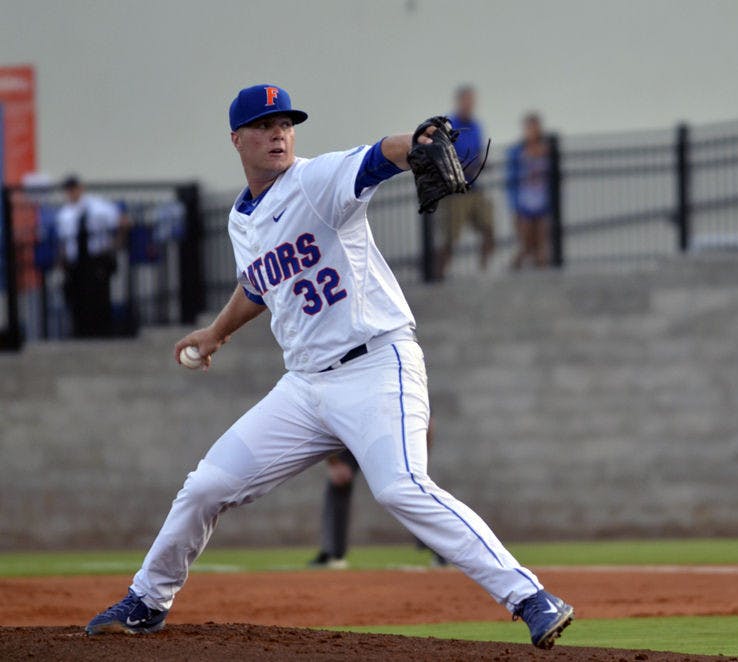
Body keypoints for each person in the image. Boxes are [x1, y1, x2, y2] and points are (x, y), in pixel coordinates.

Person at [84, 84, 573, 650]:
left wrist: (415, 141)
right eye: (265, 125)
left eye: (286, 123)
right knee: (205, 487)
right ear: (236, 139)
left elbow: (374, 159)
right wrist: (216, 332)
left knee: (398, 487)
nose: (278, 133)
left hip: (376, 364)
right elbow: (260, 284)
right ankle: (147, 600)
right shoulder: (241, 220)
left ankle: (531, 597)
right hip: (306, 386)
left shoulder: (314, 181)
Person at [310, 417, 447, 569]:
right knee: (337, 485)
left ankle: (441, 549)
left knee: (410, 489)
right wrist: (334, 463)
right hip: (351, 434)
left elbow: (427, 420)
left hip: (388, 434)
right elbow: (325, 418)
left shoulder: (404, 397)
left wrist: (419, 463)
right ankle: (332, 552)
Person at [434, 85, 494, 278]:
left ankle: (483, 268)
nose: (470, 105)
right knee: (451, 238)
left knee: (489, 228)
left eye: (472, 101)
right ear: (459, 102)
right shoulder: (448, 125)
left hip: (474, 188)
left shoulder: (476, 125)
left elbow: (479, 153)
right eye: (467, 100)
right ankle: (437, 274)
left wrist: (482, 163)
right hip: (454, 192)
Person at [55, 176, 126, 337]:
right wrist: (62, 260)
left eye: (73, 189)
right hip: (75, 262)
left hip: (96, 258)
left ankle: (102, 331)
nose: (70, 193)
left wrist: (114, 247)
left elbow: (121, 222)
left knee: (99, 296)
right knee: (77, 298)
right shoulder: (65, 213)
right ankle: (81, 331)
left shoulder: (98, 207)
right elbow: (63, 241)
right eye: (68, 190)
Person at [506, 113, 551, 270]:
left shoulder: (548, 150)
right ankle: (513, 267)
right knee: (526, 245)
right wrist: (514, 206)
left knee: (541, 246)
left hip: (542, 203)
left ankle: (544, 275)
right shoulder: (516, 152)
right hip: (524, 203)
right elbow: (511, 180)